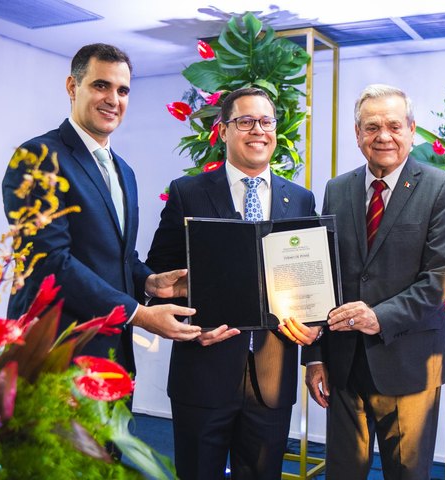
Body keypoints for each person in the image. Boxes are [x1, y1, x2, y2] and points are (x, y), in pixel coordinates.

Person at [146, 87, 322, 480]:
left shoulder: (301, 199)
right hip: (202, 372)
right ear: (223, 131)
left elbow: (312, 281)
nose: (257, 130)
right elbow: (158, 274)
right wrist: (188, 325)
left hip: (272, 377)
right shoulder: (187, 192)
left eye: (266, 121)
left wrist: (315, 329)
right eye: (245, 121)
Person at [1, 43, 201, 376]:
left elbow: (117, 256)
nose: (113, 99)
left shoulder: (124, 171)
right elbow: (51, 262)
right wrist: (138, 314)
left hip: (112, 354)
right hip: (55, 354)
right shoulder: (39, 157)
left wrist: (150, 282)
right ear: (72, 87)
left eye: (122, 90)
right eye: (101, 85)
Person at [302, 84, 445, 479]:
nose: (383, 136)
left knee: (406, 473)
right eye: (371, 127)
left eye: (394, 125)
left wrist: (379, 316)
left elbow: (442, 276)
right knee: (342, 473)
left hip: (409, 364)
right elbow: (324, 275)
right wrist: (316, 355)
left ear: (411, 129)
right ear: (358, 135)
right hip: (343, 365)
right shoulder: (336, 189)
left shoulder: (440, 188)